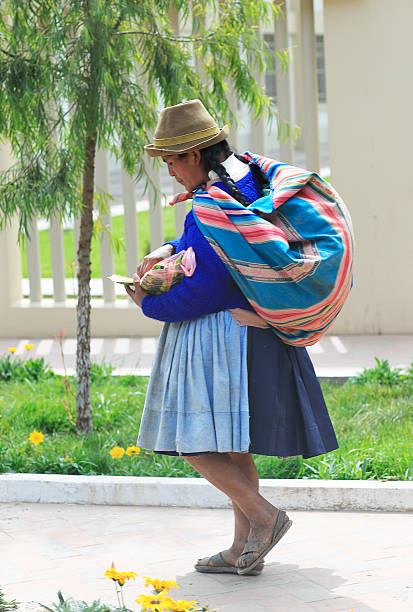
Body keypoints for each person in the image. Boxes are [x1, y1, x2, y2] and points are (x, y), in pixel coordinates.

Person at [126, 99, 340, 576]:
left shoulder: (212, 204)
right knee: (231, 444)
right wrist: (168, 248)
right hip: (256, 333)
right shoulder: (245, 181)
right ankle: (244, 547)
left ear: (196, 154)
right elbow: (211, 250)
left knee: (196, 443)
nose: (171, 171)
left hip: (223, 338)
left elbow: (207, 287)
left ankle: (264, 518)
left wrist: (149, 303)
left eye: (173, 160)